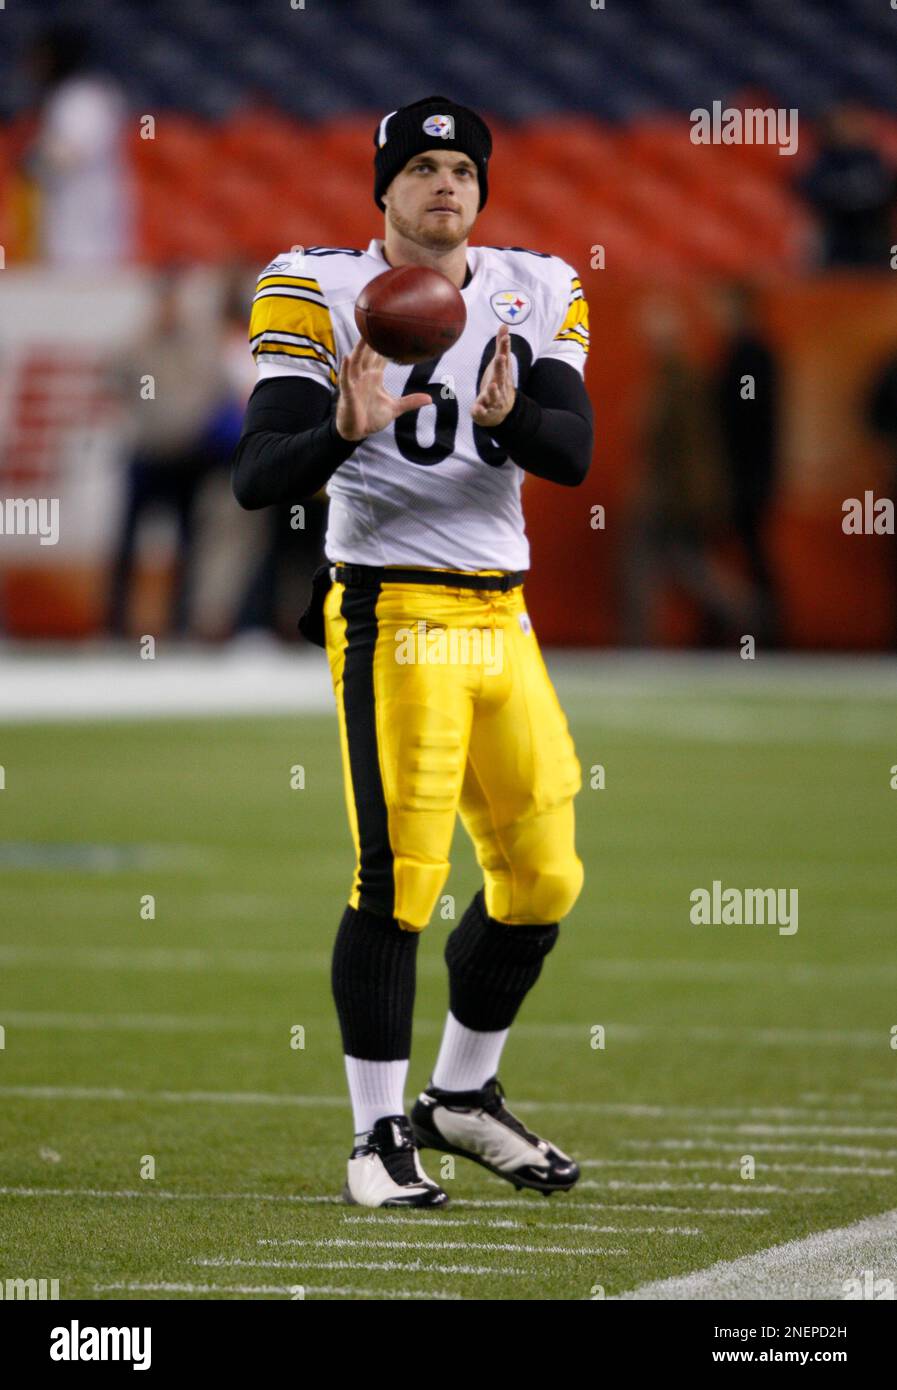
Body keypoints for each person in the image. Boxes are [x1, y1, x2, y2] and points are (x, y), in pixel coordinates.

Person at [232, 96, 594, 1208]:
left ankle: (460, 1099)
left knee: (542, 877)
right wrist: (340, 432)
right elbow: (258, 475)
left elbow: (571, 453)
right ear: (382, 188)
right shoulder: (313, 282)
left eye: (463, 169)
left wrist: (509, 421)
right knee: (401, 878)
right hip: (392, 610)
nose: (447, 184)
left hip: (503, 612)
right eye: (424, 166)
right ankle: (373, 1134)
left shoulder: (538, 287)